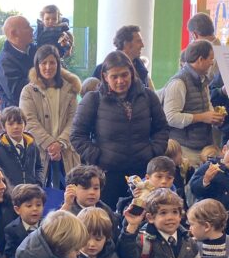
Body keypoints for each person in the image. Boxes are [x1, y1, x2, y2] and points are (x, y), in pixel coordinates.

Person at [71, 50, 168, 208]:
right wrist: (98, 157)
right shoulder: (93, 99)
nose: (120, 81)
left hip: (142, 173)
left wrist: (153, 152)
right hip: (107, 175)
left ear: (132, 72)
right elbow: (77, 135)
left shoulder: (149, 97)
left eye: (124, 75)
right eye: (114, 76)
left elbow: (162, 129)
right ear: (105, 76)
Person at [20, 43, 82, 189]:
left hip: (66, 152)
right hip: (39, 153)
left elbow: (74, 119)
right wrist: (50, 144)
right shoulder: (28, 91)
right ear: (37, 65)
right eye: (44, 63)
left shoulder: (69, 89)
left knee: (69, 194)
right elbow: (29, 121)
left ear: (58, 64)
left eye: (52, 62)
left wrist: (60, 143)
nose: (48, 67)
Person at [158, 38, 224, 167]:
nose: (212, 63)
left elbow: (207, 107)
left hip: (204, 146)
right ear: (200, 59)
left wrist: (214, 118)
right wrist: (202, 117)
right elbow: (170, 117)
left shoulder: (203, 81)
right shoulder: (178, 83)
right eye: (210, 59)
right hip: (185, 150)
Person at [189, 134, 229, 236]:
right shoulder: (209, 166)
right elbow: (193, 189)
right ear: (224, 149)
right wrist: (205, 180)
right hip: (206, 220)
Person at [0, 106, 43, 187]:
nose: (16, 127)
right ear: (4, 126)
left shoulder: (32, 145)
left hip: (31, 192)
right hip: (9, 194)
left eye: (19, 123)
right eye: (11, 124)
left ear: (25, 124)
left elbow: (39, 167)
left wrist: (38, 183)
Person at [2, 183, 46, 258]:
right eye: (29, 206)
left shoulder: (47, 225)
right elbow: (11, 254)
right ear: (17, 210)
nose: (35, 209)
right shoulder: (11, 229)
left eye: (38, 205)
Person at [0, 16, 36, 108]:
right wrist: (44, 78)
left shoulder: (34, 50)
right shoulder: (4, 62)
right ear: (14, 33)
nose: (32, 29)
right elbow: (17, 94)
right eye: (27, 27)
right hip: (18, 118)